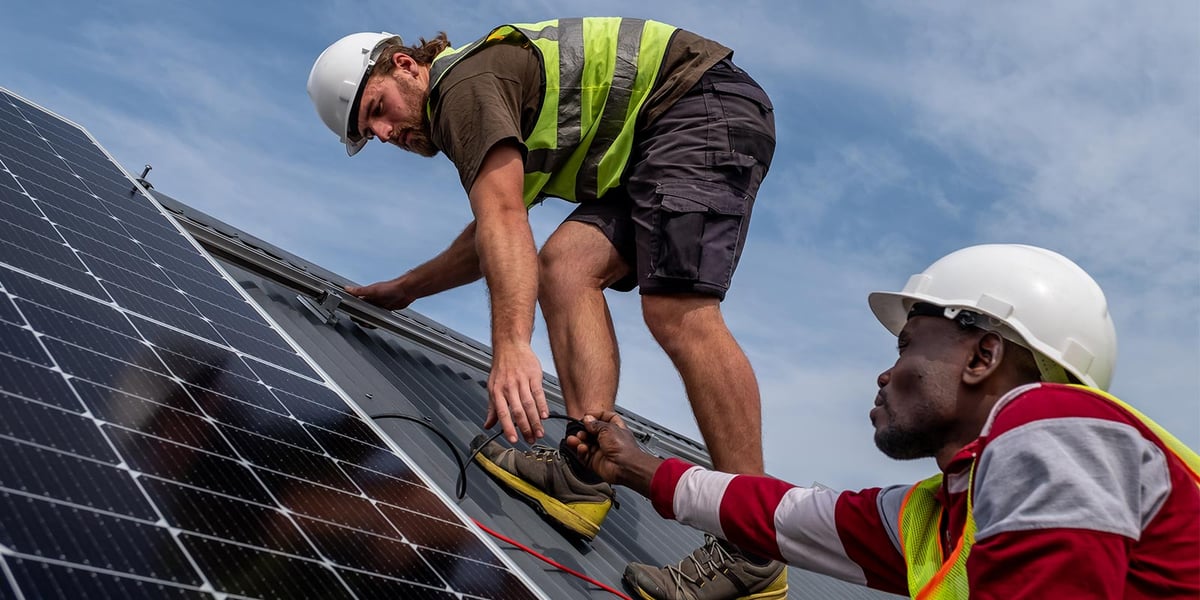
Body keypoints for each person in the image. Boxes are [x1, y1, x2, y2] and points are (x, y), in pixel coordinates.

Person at [307, 17, 783, 599]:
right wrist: (406, 288)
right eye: (368, 131)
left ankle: (754, 546)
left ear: (405, 65)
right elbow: (488, 232)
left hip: (698, 106)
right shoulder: (480, 96)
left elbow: (505, 218)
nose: (384, 132)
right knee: (567, 266)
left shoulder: (461, 88)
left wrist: (512, 345)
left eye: (378, 108)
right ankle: (585, 472)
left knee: (678, 310)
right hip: (655, 139)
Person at [567, 244, 1200, 599]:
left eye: (906, 347)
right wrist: (632, 465)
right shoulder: (944, 513)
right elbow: (783, 515)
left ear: (983, 355)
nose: (882, 374)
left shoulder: (1054, 424)